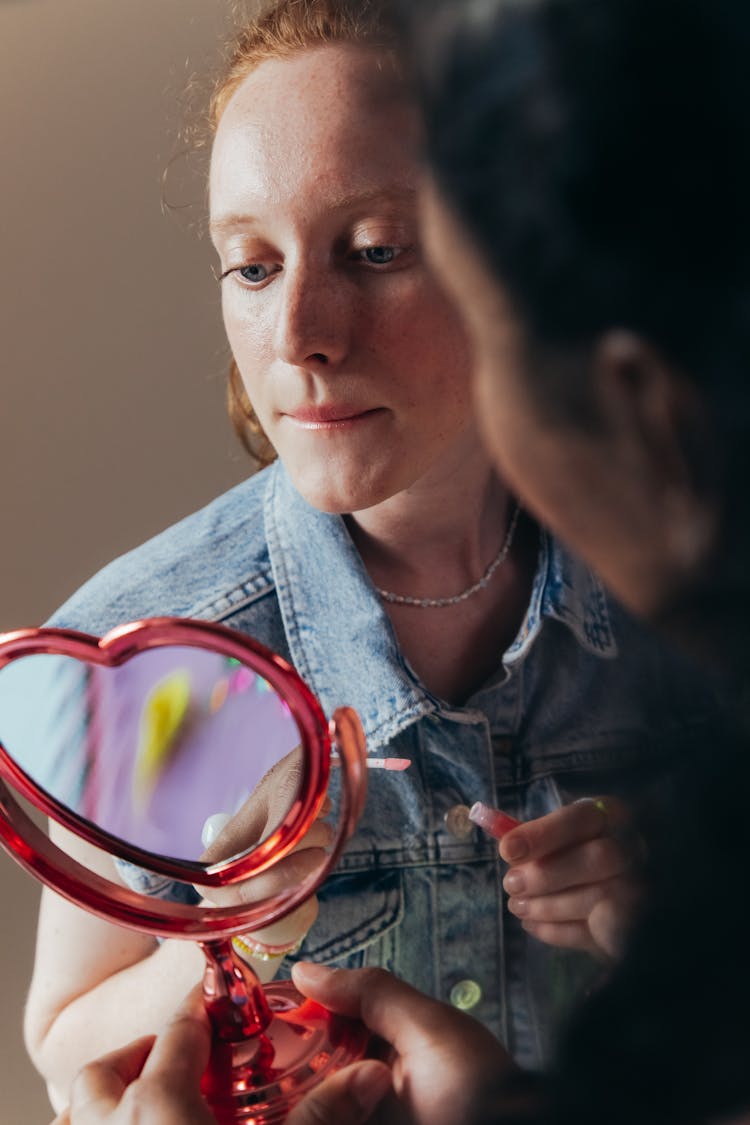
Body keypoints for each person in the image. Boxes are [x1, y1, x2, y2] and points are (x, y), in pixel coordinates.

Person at [23, 0, 720, 1115]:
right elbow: (64, 1046)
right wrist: (238, 936)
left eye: (379, 250)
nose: (301, 329)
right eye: (250, 266)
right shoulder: (144, 653)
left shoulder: (693, 605)